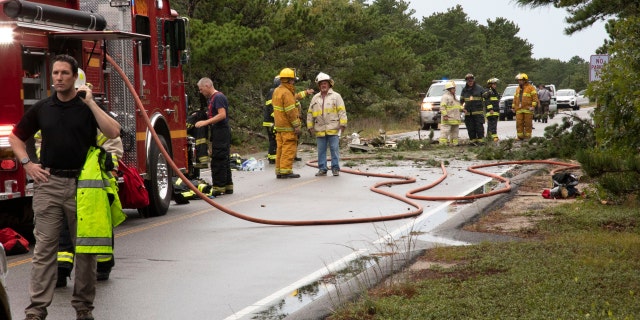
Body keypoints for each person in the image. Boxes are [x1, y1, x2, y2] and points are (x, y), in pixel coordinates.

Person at [9, 54, 121, 320]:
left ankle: (83, 309)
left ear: (75, 77)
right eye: (55, 73)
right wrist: (27, 164)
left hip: (82, 187)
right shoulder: (42, 108)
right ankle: (36, 311)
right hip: (49, 185)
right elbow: (15, 136)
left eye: (64, 74)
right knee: (44, 250)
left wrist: (92, 103)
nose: (58, 78)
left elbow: (114, 131)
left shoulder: (87, 107)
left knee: (84, 251)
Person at [195, 77, 233, 196]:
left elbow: (222, 115)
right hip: (218, 130)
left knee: (218, 158)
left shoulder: (218, 97)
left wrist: (205, 122)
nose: (201, 92)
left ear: (207, 85)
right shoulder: (212, 99)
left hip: (222, 130)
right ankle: (227, 186)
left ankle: (219, 186)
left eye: (201, 89)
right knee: (223, 158)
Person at [272, 68, 312, 178]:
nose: (294, 82)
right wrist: (296, 126)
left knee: (280, 149)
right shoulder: (286, 92)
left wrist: (305, 93)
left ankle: (279, 171)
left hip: (279, 126)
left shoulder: (277, 91)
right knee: (288, 149)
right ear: (289, 80)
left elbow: (294, 97)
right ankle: (286, 171)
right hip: (288, 127)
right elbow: (290, 111)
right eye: (293, 80)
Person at [307, 72, 348, 176]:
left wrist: (343, 124)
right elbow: (310, 113)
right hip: (320, 128)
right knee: (321, 151)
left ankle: (335, 168)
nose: (323, 85)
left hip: (333, 128)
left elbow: (342, 111)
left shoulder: (336, 96)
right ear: (319, 86)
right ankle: (322, 168)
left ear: (329, 84)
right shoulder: (315, 98)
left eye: (325, 83)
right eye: (321, 84)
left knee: (334, 149)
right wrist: (310, 126)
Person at [460, 73, 486, 145]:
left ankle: (481, 142)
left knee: (479, 128)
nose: (470, 82)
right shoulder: (464, 90)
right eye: (468, 81)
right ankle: (473, 142)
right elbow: (461, 102)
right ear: (466, 81)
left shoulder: (479, 88)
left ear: (473, 80)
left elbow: (485, 98)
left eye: (471, 80)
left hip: (478, 113)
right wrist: (462, 109)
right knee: (470, 129)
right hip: (468, 114)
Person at [512, 73, 539, 140]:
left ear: (525, 80)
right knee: (519, 124)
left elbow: (535, 98)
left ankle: (527, 137)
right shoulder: (518, 88)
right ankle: (520, 137)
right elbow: (515, 98)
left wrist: (533, 106)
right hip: (519, 109)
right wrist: (513, 107)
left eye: (521, 80)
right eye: (519, 80)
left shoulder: (531, 88)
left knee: (528, 124)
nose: (519, 81)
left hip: (528, 109)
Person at [438, 80, 463, 146]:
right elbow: (442, 107)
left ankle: (454, 143)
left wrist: (463, 109)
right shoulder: (445, 97)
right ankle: (443, 144)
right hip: (448, 118)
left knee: (455, 132)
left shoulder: (454, 97)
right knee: (445, 131)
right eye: (453, 88)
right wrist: (445, 115)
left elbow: (457, 106)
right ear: (449, 89)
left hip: (455, 118)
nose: (455, 90)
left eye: (454, 88)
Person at [263, 76, 280, 164]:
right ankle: (273, 158)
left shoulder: (273, 91)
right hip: (271, 121)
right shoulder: (273, 92)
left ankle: (272, 156)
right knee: (273, 139)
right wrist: (276, 119)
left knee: (273, 139)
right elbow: (271, 107)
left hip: (271, 121)